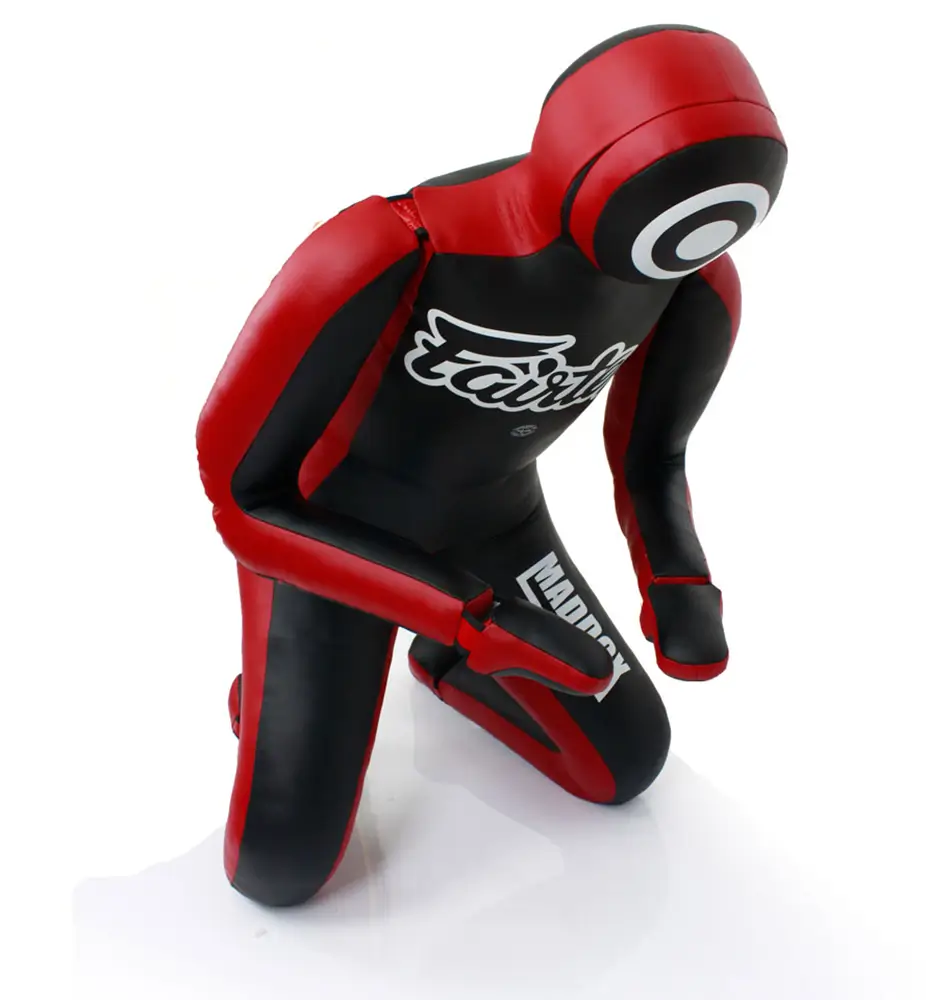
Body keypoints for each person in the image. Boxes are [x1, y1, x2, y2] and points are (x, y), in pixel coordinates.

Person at [196, 24, 787, 906]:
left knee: (626, 762)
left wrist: (677, 579)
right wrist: (475, 620)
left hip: (495, 520)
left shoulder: (694, 281)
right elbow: (240, 498)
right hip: (332, 544)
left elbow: (655, 455)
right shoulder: (389, 247)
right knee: (280, 873)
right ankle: (274, 696)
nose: (698, 235)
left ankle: (439, 667)